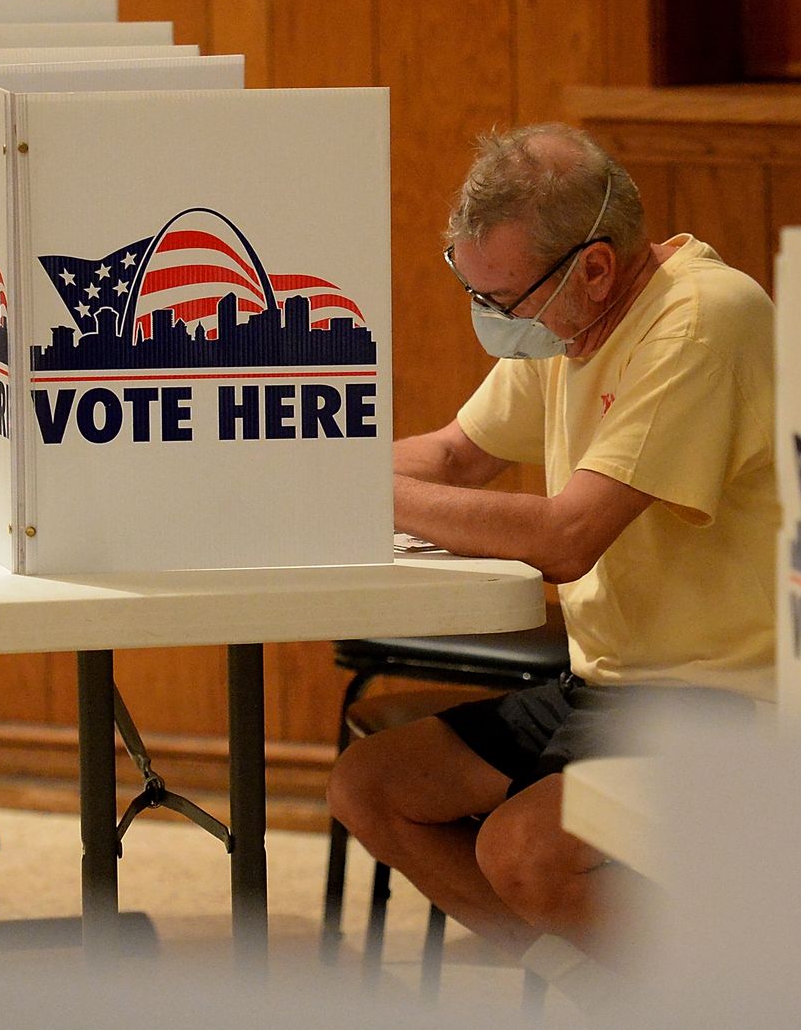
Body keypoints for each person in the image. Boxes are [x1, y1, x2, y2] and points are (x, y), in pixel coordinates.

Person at [325, 122, 777, 968]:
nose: (492, 320)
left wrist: (369, 495)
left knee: (524, 849)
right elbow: (458, 456)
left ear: (594, 267)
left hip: (726, 699)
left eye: (503, 301)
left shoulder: (702, 322)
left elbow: (567, 538)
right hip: (608, 683)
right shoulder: (570, 319)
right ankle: (586, 988)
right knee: (372, 788)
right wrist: (308, 476)